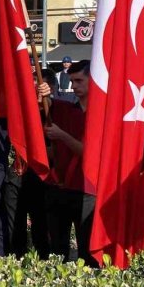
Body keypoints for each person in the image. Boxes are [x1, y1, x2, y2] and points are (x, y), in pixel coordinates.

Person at [43, 60, 96, 267]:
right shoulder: (65, 108)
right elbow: (43, 101)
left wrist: (62, 135)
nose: (74, 86)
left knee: (87, 249)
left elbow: (90, 154)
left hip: (87, 190)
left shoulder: (102, 116)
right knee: (57, 249)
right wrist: (44, 91)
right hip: (60, 188)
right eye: (72, 81)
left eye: (79, 81)